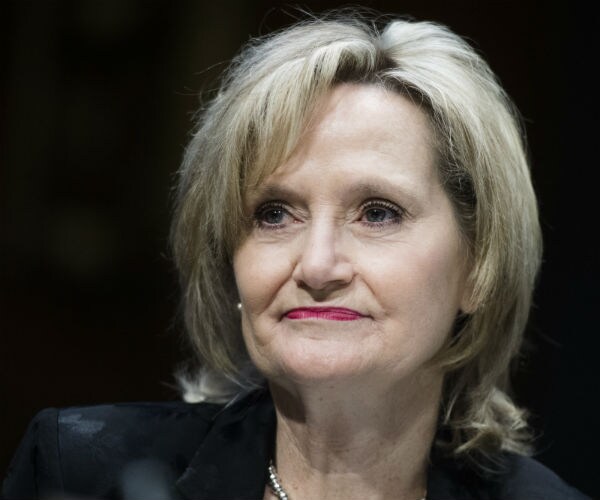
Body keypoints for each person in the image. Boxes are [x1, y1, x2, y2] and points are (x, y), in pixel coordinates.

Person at [2, 10, 591, 500]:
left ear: (479, 266)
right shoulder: (78, 473)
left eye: (378, 212)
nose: (316, 266)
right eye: (274, 214)